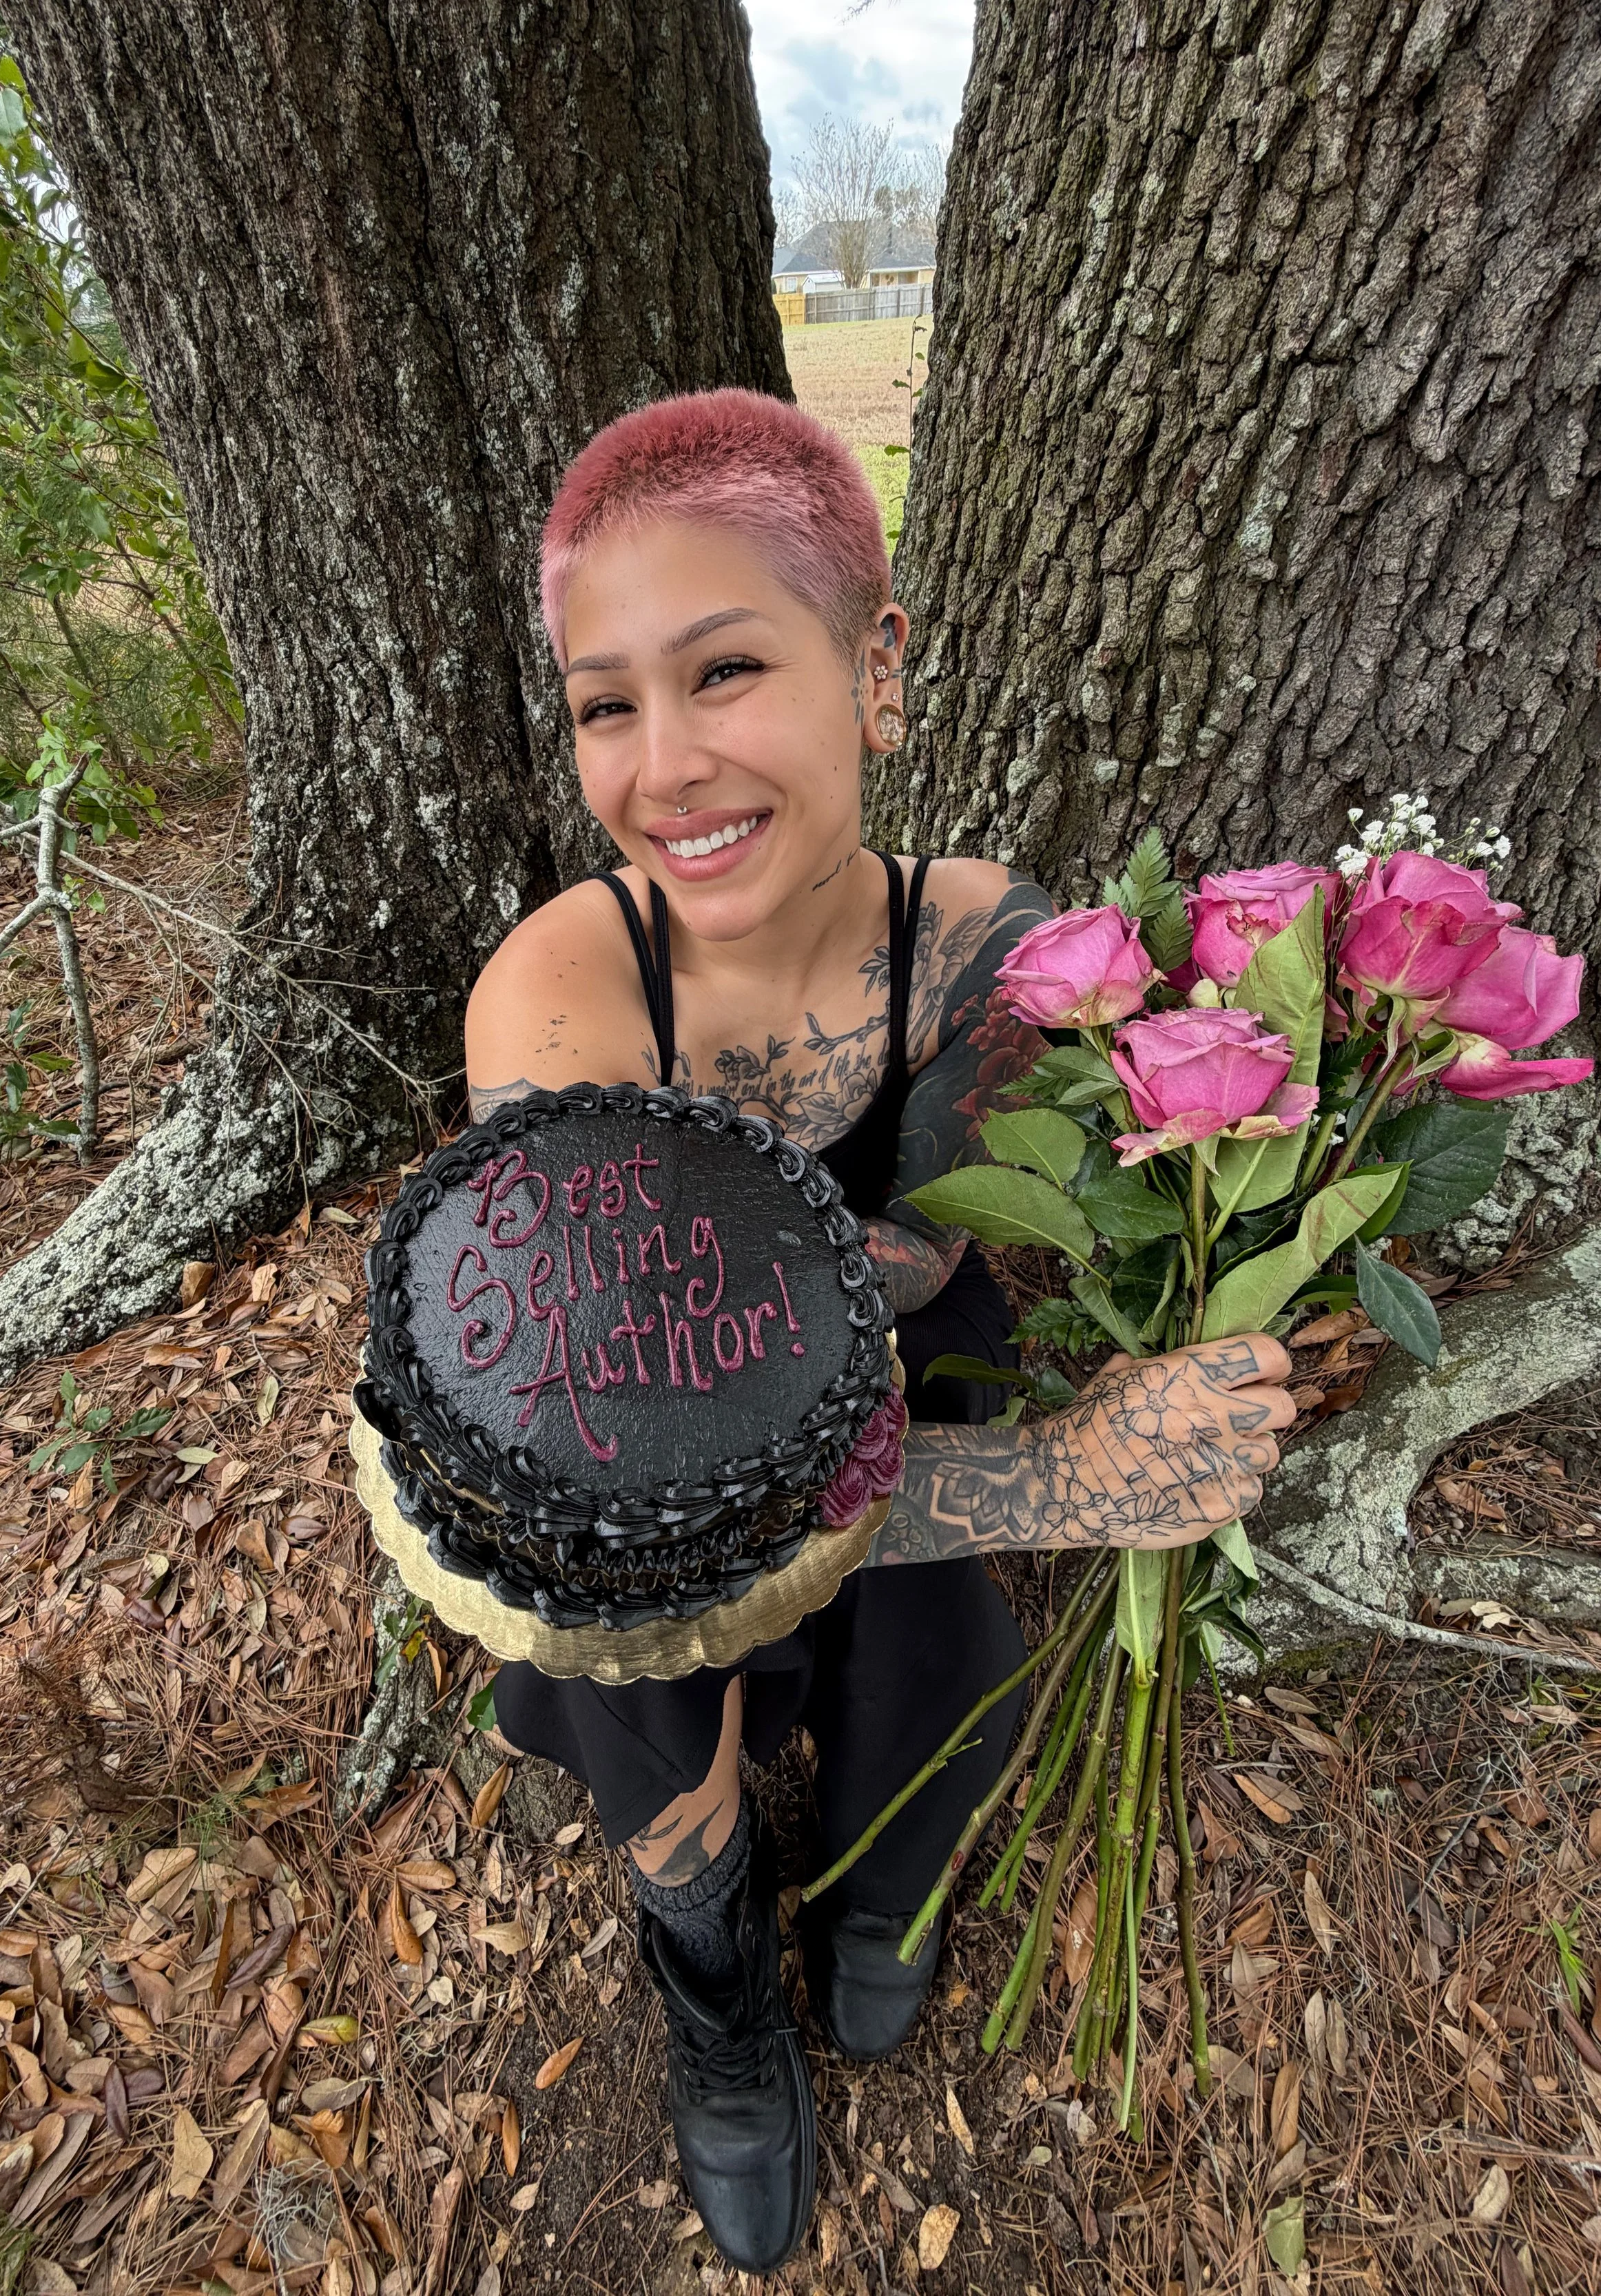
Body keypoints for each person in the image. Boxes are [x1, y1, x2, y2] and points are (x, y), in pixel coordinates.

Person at [462, 389, 1295, 2273]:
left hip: (895, 1444)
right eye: (605, 704)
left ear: (877, 669)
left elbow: (971, 1260)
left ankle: (883, 1867)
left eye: (726, 668)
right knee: (633, 1631)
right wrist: (1063, 1481)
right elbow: (647, 1479)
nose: (665, 765)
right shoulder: (565, 1000)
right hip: (651, 1506)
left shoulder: (991, 947)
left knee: (935, 1579)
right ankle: (711, 1971)